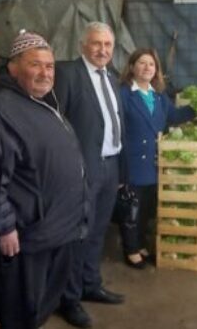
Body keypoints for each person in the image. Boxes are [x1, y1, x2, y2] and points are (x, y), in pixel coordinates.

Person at [0, 31, 88, 328]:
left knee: (42, 304)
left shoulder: (39, 100)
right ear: (13, 68)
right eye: (35, 64)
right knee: (20, 309)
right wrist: (5, 224)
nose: (45, 72)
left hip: (57, 228)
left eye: (49, 66)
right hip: (28, 235)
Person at [54, 22, 126, 328]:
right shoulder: (68, 74)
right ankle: (69, 299)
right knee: (78, 234)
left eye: (108, 45)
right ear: (83, 44)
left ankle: (90, 284)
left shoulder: (111, 77)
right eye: (97, 44)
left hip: (110, 164)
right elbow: (58, 122)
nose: (103, 50)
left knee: (98, 230)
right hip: (84, 167)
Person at [118, 48, 195, 269]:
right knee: (132, 207)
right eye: (141, 63)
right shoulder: (123, 94)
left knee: (146, 209)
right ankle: (131, 249)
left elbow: (175, 116)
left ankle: (141, 245)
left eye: (151, 64)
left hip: (154, 163)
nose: (147, 68)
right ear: (132, 67)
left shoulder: (159, 95)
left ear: (156, 70)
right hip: (133, 161)